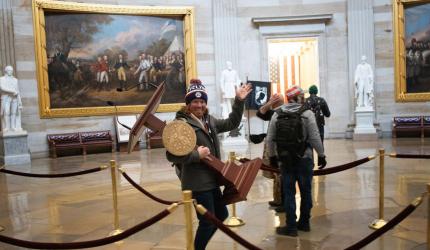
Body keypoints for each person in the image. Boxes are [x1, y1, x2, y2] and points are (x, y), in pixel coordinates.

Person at [166, 79, 252, 250]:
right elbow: (171, 156)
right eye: (195, 102)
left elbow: (231, 123)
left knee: (221, 214)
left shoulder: (209, 120)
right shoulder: (181, 125)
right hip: (197, 182)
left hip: (212, 179)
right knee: (207, 221)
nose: (199, 105)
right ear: (188, 104)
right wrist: (196, 155)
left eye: (202, 101)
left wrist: (239, 101)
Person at [266, 86, 326, 237]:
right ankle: (304, 223)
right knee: (306, 192)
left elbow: (270, 139)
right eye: (302, 96)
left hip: (285, 159)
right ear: (298, 98)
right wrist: (322, 155)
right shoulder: (307, 113)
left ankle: (291, 226)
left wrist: (272, 157)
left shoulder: (277, 114)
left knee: (289, 192)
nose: (304, 98)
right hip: (304, 158)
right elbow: (314, 136)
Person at [256, 93, 284, 210]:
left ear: (275, 102)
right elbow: (260, 113)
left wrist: (270, 103)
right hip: (277, 148)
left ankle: (282, 202)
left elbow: (261, 111)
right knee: (277, 175)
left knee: (279, 175)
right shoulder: (277, 111)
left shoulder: (277, 112)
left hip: (278, 149)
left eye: (272, 100)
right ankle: (278, 200)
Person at [0, 65, 22, 132]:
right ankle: (7, 127)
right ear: (6, 71)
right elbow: (2, 88)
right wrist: (12, 91)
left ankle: (13, 126)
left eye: (12, 71)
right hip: (6, 98)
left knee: (14, 112)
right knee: (6, 112)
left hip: (14, 98)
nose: (11, 72)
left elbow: (17, 90)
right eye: (10, 70)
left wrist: (20, 100)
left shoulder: (15, 80)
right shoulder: (1, 79)